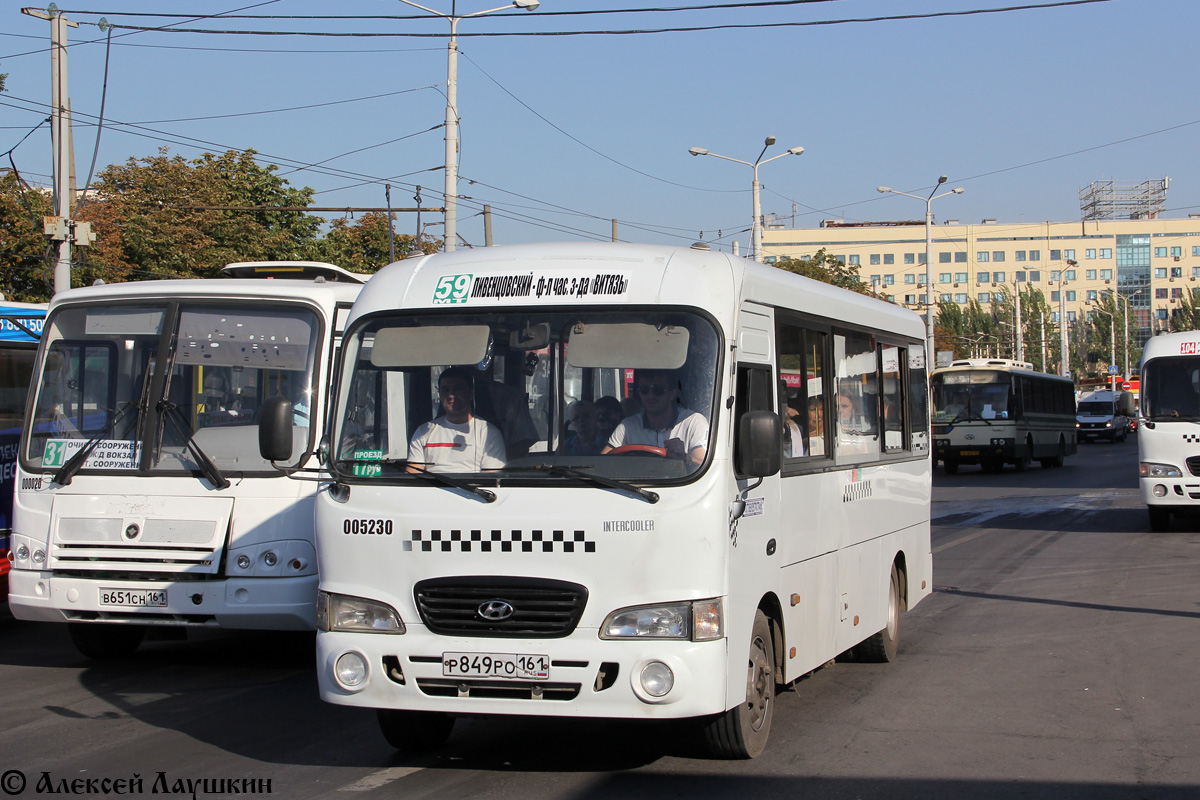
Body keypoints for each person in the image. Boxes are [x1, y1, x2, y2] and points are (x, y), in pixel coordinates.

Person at [602, 369, 708, 468]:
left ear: (672, 394)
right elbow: (602, 462)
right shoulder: (628, 425)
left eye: (658, 390)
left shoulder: (693, 421)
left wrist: (684, 457)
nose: (650, 396)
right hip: (633, 485)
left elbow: (704, 466)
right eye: (644, 390)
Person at [408, 366, 505, 473]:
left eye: (458, 389)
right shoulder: (423, 432)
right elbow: (414, 474)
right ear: (439, 394)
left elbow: (491, 479)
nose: (451, 395)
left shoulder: (488, 434)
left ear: (471, 393)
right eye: (445, 389)